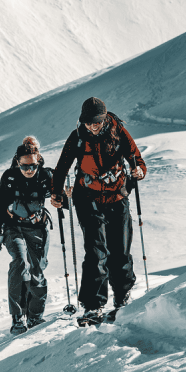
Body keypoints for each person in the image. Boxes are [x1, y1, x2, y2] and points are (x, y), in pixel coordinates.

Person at [50, 97, 146, 325]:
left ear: (104, 119)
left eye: (96, 122)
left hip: (117, 198)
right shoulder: (77, 137)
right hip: (87, 199)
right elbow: (62, 167)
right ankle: (93, 306)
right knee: (96, 252)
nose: (92, 126)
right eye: (88, 122)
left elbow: (137, 160)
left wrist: (140, 171)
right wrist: (56, 193)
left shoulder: (118, 132)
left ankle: (122, 296)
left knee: (120, 250)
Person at [0, 136, 53, 334]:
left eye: (33, 166)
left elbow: (58, 195)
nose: (29, 170)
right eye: (24, 166)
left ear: (38, 161)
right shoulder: (9, 177)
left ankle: (35, 316)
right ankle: (18, 317)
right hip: (13, 227)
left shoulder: (46, 175)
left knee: (36, 270)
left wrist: (63, 196)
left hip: (37, 228)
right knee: (20, 263)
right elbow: (1, 203)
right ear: (17, 162)